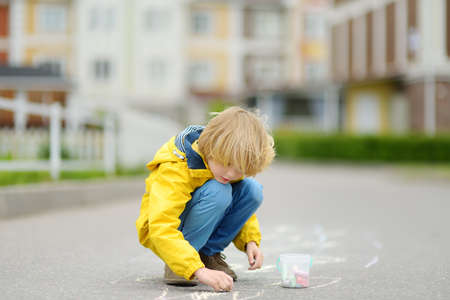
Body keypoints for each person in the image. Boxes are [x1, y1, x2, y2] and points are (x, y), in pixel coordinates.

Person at [136, 106, 275, 292]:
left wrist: (251, 241)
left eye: (240, 169)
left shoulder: (228, 164)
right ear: (212, 147)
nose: (231, 173)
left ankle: (208, 254)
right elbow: (161, 225)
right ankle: (179, 264)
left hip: (193, 220)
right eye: (227, 164)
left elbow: (239, 206)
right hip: (163, 231)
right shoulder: (178, 166)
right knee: (219, 191)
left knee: (252, 190)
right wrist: (197, 270)